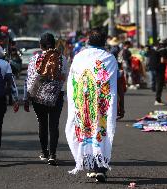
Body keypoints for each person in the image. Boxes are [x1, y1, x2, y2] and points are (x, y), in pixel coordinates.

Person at [65, 29, 118, 183]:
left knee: (86, 133)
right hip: (102, 105)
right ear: (104, 43)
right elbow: (115, 84)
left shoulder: (79, 57)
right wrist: (119, 103)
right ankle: (99, 168)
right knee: (100, 132)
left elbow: (72, 82)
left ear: (88, 42)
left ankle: (93, 166)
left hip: (82, 105)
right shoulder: (110, 58)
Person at [24, 33, 67, 166]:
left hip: (38, 96)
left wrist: (26, 97)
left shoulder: (35, 58)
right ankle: (53, 155)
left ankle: (44, 152)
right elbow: (64, 77)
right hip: (56, 95)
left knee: (42, 124)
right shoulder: (62, 58)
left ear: (40, 45)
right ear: (54, 44)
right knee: (54, 125)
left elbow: (30, 79)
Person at [154, 40, 167, 105]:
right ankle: (157, 100)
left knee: (159, 84)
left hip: (157, 69)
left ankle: (158, 99)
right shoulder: (163, 51)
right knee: (159, 84)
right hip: (161, 69)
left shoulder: (158, 49)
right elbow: (162, 60)